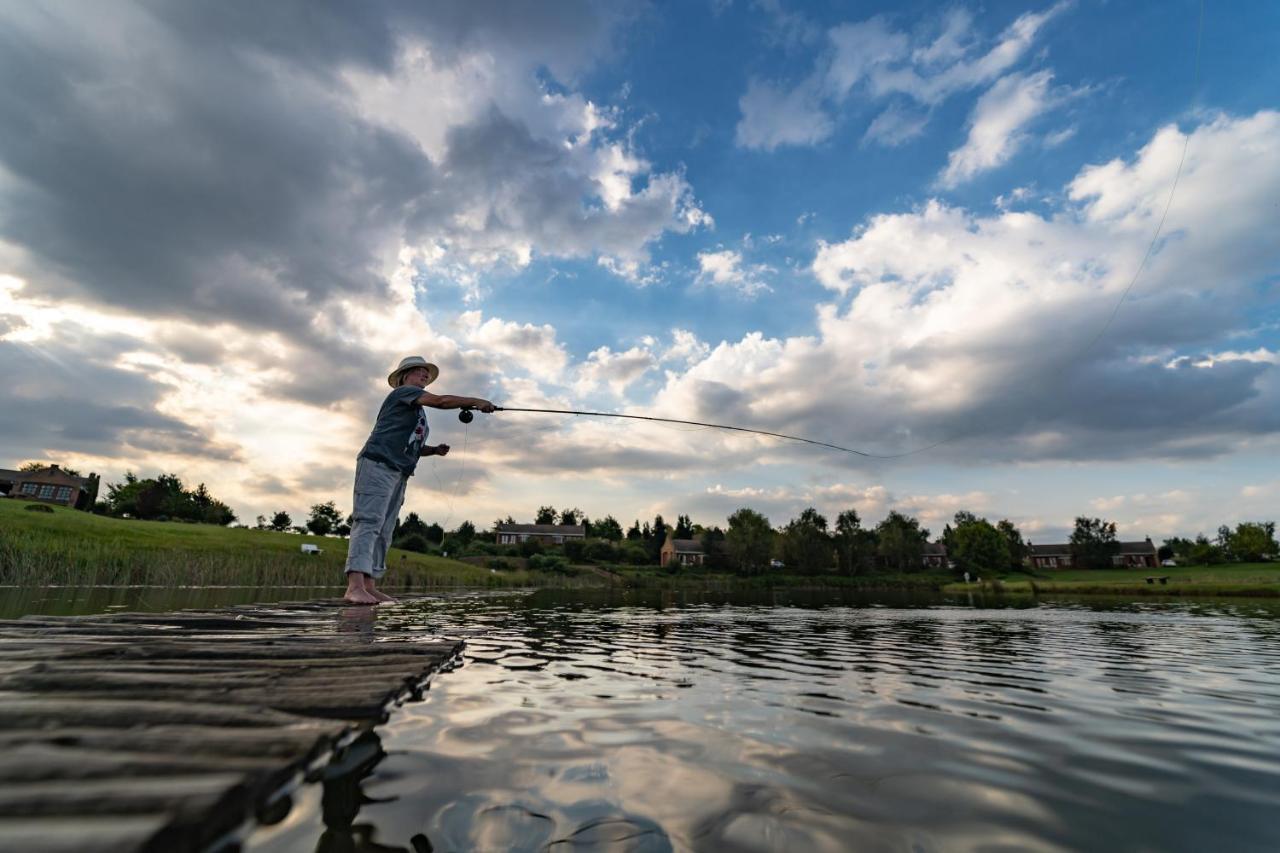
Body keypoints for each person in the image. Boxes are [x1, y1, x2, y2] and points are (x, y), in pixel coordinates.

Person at [344, 356, 495, 605]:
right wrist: (476, 401)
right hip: (377, 464)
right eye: (418, 371)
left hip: (398, 471)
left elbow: (411, 443)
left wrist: (432, 450)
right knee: (369, 521)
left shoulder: (416, 409)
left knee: (385, 529)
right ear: (404, 377)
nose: (424, 375)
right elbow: (441, 401)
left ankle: (369, 586)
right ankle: (354, 586)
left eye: (426, 373)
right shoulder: (404, 393)